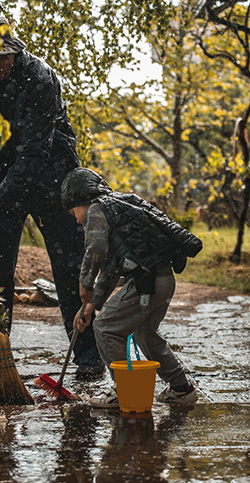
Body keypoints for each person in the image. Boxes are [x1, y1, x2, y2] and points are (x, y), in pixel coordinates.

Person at [0, 14, 102, 376]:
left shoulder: (39, 77)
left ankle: (86, 356)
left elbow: (35, 151)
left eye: (4, 57)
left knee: (68, 266)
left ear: (14, 52)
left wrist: (0, 199)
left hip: (51, 172)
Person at [63, 168, 203, 407]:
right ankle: (182, 388)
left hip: (145, 284)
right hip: (163, 280)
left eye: (74, 212)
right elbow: (109, 270)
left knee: (106, 327)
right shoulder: (117, 208)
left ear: (81, 200)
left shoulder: (96, 208)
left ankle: (124, 390)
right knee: (145, 334)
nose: (76, 219)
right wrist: (91, 305)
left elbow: (95, 250)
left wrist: (84, 284)